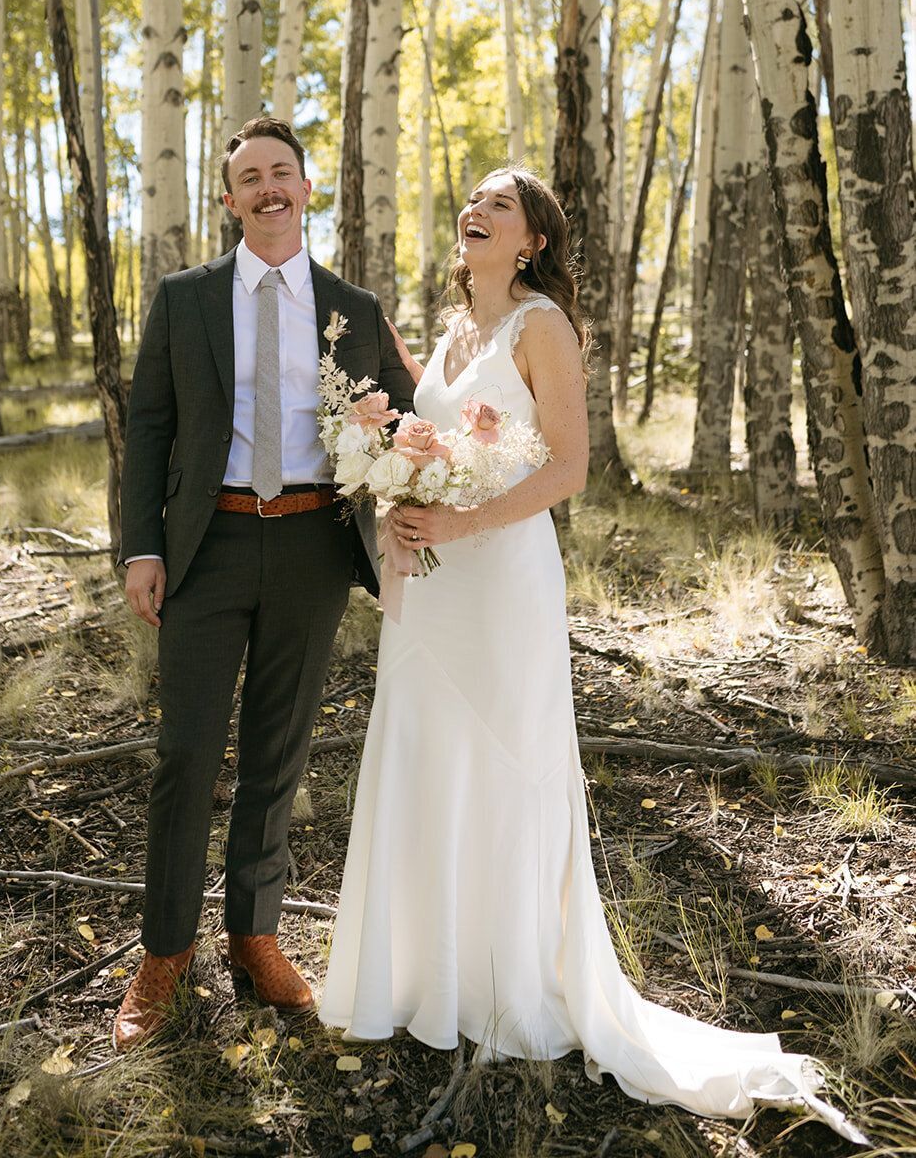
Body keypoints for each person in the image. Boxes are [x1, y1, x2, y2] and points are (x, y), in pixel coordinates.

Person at [319, 167, 861, 1141]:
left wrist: (461, 517)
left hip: (501, 578)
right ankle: (422, 977)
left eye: (498, 204)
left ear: (530, 240)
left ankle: (507, 979)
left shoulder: (540, 325)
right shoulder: (446, 332)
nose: (474, 210)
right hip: (430, 587)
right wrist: (400, 509)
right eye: (470, 198)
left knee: (503, 759)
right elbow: (426, 446)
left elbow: (565, 465)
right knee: (428, 755)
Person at [112, 116, 415, 1052]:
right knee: (186, 757)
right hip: (209, 545)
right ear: (231, 199)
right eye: (250, 177)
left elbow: (400, 422)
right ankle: (164, 953)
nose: (268, 188)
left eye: (282, 172)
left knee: (277, 755)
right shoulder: (186, 296)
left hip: (311, 549)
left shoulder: (354, 308)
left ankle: (256, 937)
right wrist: (141, 548)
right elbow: (151, 426)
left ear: (307, 189)